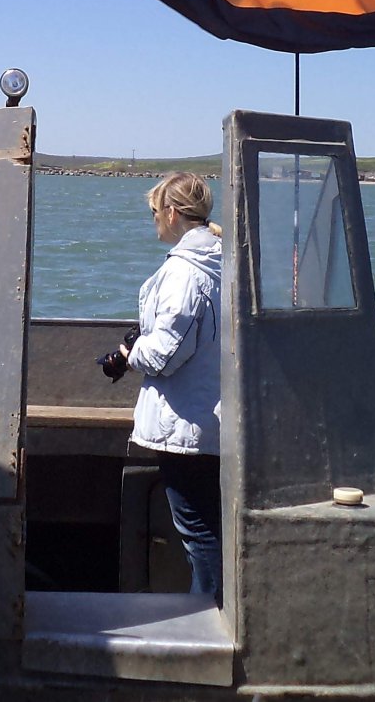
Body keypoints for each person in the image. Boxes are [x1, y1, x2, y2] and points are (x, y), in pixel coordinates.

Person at [121, 171, 223, 600]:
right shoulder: (225, 260)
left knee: (199, 534)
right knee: (210, 528)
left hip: (188, 428)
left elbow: (164, 354)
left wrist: (129, 355)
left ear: (173, 212)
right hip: (214, 419)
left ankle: (210, 621)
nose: (154, 221)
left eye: (154, 212)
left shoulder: (184, 273)